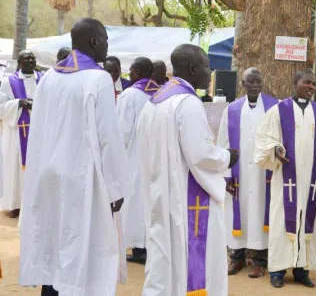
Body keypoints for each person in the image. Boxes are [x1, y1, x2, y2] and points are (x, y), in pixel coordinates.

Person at [19, 18, 132, 296]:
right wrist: (116, 188)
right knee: (82, 246)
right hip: (84, 177)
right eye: (105, 39)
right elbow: (108, 138)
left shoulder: (49, 78)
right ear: (94, 41)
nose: (107, 45)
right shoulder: (99, 78)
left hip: (49, 174)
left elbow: (40, 131)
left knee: (55, 239)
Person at [138, 44, 238, 296]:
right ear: (193, 69)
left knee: (164, 257)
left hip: (160, 193)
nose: (210, 72)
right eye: (207, 66)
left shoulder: (154, 101)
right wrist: (227, 157)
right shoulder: (188, 102)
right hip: (186, 198)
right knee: (190, 252)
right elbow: (202, 155)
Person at [254, 68, 316, 288]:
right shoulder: (277, 111)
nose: (311, 87)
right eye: (307, 83)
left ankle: (302, 270)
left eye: (314, 84)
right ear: (295, 82)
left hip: (311, 183)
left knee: (309, 224)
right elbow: (264, 140)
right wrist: (275, 150)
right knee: (281, 222)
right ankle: (277, 270)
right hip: (286, 181)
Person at [217, 67, 278, 278]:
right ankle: (237, 258)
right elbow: (223, 141)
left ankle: (260, 260)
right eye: (250, 82)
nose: (254, 85)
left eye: (258, 81)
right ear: (242, 84)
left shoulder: (273, 107)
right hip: (239, 172)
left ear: (263, 82)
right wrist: (226, 174)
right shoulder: (232, 109)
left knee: (262, 211)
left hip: (263, 173)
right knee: (238, 212)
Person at [116, 57, 159, 264]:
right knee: (151, 201)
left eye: (131, 71)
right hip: (156, 158)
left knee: (134, 202)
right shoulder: (161, 93)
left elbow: (122, 132)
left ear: (137, 73)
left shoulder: (130, 94)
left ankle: (140, 249)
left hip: (134, 157)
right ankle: (150, 246)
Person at [0, 50, 43, 218]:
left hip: (39, 130)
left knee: (37, 165)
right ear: (20, 62)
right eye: (27, 58)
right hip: (17, 132)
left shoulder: (44, 79)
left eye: (33, 58)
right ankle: (16, 204)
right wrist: (19, 103)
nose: (31, 60)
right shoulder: (8, 82)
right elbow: (1, 107)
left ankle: (36, 204)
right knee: (16, 166)